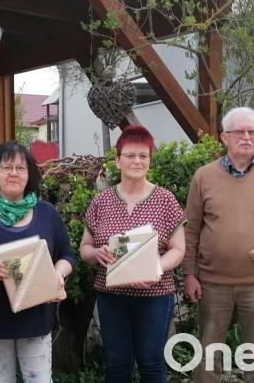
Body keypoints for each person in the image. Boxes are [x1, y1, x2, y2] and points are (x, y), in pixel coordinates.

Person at [183, 106, 254, 383]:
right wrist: (189, 275)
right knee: (209, 356)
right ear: (224, 137)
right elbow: (191, 230)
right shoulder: (203, 177)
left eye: (252, 132)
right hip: (212, 283)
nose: (246, 137)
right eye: (239, 132)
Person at [0, 142, 75, 383]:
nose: (14, 173)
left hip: (35, 318)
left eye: (21, 168)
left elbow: (67, 256)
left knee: (40, 380)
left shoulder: (47, 213)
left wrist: (57, 274)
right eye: (7, 167)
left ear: (29, 174)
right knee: (0, 380)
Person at [80, 125, 187, 383]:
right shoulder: (101, 202)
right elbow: (85, 248)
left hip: (154, 295)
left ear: (150, 160)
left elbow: (178, 249)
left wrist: (155, 269)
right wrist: (97, 254)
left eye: (143, 155)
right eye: (130, 155)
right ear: (117, 160)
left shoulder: (165, 200)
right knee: (116, 364)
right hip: (112, 296)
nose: (137, 161)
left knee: (152, 363)